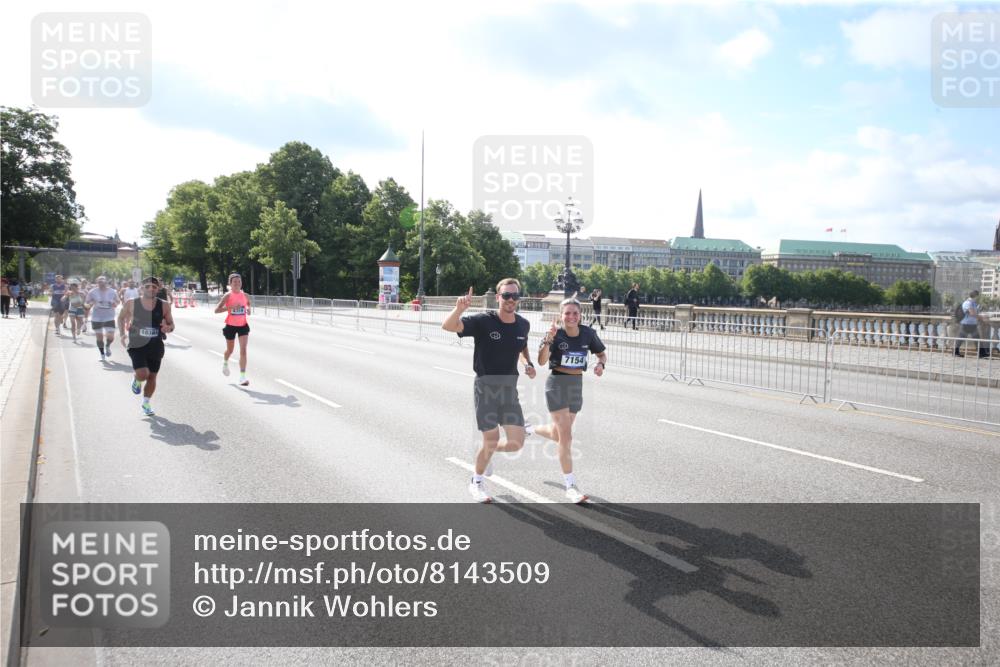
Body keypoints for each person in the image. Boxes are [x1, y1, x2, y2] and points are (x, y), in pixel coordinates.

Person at [442, 280, 537, 503]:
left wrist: (527, 363)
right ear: (498, 297)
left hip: (509, 390)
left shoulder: (523, 324)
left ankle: (487, 453)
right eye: (506, 296)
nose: (510, 300)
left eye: (515, 296)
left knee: (516, 443)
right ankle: (476, 481)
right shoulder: (484, 321)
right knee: (491, 438)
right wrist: (459, 309)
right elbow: (448, 326)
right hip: (486, 388)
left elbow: (521, 345)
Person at [534, 298, 607, 503]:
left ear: (580, 315)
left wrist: (601, 365)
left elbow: (602, 354)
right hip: (557, 383)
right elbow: (541, 361)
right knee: (566, 437)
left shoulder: (588, 333)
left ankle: (528, 428)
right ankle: (570, 485)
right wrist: (549, 338)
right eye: (567, 313)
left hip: (576, 385)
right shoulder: (555, 334)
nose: (571, 317)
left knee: (557, 434)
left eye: (575, 313)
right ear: (560, 315)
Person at [118, 277, 175, 416]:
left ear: (158, 289)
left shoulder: (164, 305)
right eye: (148, 286)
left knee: (152, 377)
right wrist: (122, 334)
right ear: (142, 288)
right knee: (143, 374)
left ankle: (146, 403)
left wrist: (168, 328)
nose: (151, 289)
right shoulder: (131, 303)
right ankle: (137, 379)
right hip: (137, 344)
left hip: (156, 345)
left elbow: (171, 324)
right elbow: (120, 318)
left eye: (154, 287)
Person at [215, 273, 252, 386]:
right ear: (230, 284)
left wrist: (249, 309)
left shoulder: (245, 295)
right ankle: (225, 362)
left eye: (239, 281)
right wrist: (230, 307)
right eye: (234, 282)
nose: (237, 283)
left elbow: (249, 304)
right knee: (230, 350)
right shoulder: (227, 295)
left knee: (243, 350)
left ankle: (242, 377)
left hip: (243, 326)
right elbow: (216, 310)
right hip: (230, 326)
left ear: (241, 283)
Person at [85, 276, 121, 361]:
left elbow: (118, 301)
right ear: (97, 283)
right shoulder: (92, 292)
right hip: (97, 317)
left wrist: (114, 303)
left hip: (109, 316)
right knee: (99, 337)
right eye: (99, 282)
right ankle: (102, 354)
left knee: (111, 336)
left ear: (106, 282)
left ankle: (107, 346)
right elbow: (87, 302)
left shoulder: (113, 291)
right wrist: (91, 303)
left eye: (103, 282)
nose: (101, 284)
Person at [955, 289, 989, 359]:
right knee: (961, 339)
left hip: (972, 324)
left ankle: (982, 353)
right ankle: (955, 352)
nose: (978, 297)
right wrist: (981, 317)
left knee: (976, 338)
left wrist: (981, 313)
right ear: (975, 296)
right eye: (978, 296)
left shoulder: (973, 303)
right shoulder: (968, 303)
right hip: (966, 324)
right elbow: (972, 313)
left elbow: (975, 312)